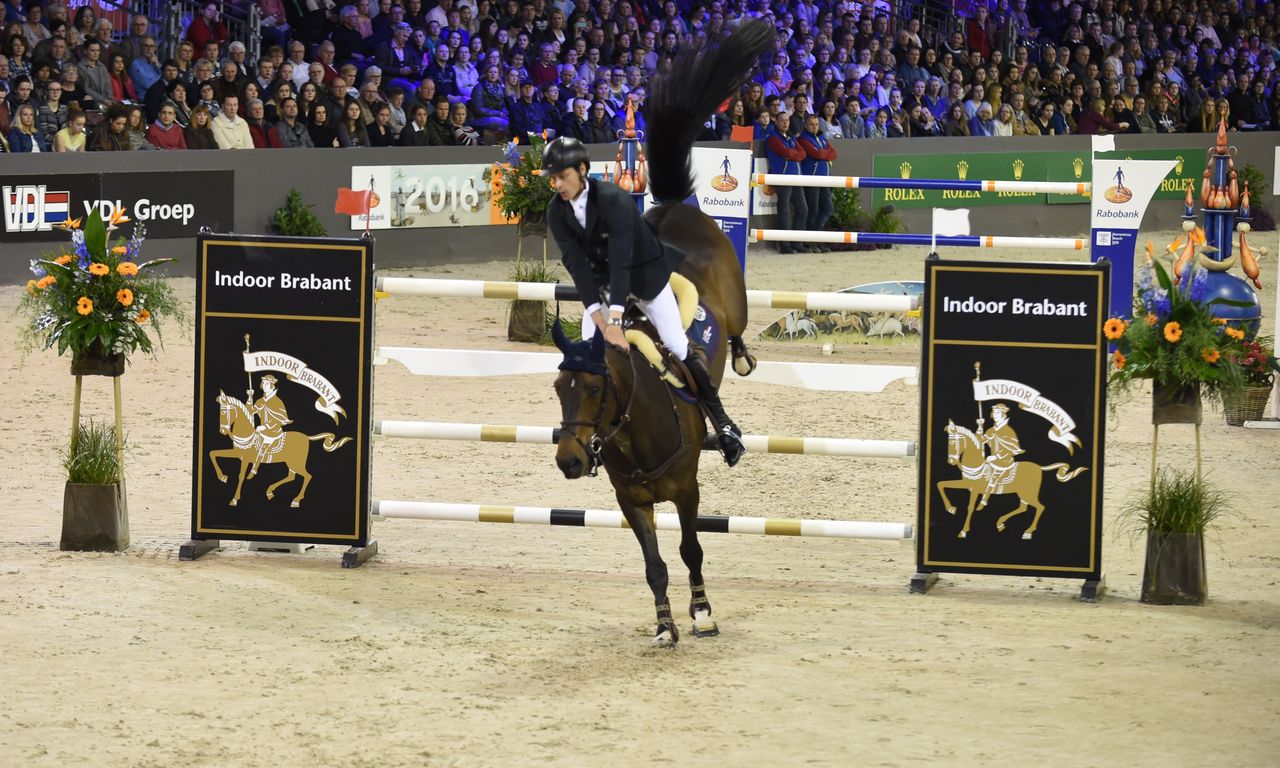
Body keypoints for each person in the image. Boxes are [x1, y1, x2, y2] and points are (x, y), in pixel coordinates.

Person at [541, 136, 744, 466]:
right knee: (586, 362)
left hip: (644, 277)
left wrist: (617, 323)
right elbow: (577, 265)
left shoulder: (613, 200)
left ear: (582, 170)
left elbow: (622, 261)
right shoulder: (556, 211)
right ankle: (593, 435)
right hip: (604, 288)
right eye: (552, 178)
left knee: (677, 345)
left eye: (562, 176)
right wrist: (599, 320)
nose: (557, 184)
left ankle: (723, 424)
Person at [764, 111, 808, 254]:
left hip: (796, 177)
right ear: (776, 122)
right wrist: (792, 154)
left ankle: (797, 241)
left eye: (787, 120)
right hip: (782, 178)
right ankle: (785, 244)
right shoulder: (772, 138)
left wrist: (792, 155)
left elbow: (803, 154)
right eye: (782, 120)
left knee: (803, 209)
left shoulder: (790, 137)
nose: (785, 123)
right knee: (784, 211)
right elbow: (785, 153)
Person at [797, 113, 835, 252]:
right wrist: (824, 153)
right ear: (806, 125)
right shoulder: (803, 139)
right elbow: (817, 154)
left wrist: (823, 153)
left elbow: (833, 153)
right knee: (813, 210)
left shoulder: (822, 137)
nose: (815, 127)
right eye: (812, 125)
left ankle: (814, 237)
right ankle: (810, 241)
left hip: (825, 179)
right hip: (812, 178)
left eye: (817, 124)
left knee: (828, 208)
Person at [976, 403, 1023, 509]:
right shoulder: (991, 430)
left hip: (1004, 461)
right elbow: (981, 440)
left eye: (998, 413)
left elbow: (1011, 449)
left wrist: (996, 457)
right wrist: (979, 426)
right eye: (994, 412)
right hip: (992, 460)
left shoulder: (1008, 431)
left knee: (993, 477)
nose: (995, 415)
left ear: (1003, 415)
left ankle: (984, 500)